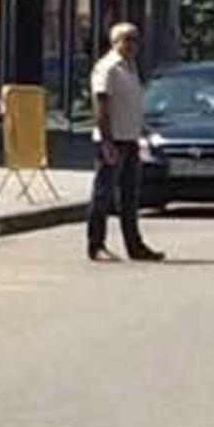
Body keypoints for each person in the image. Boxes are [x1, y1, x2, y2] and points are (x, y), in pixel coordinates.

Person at [87, 23, 163, 262]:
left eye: (135, 40)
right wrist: (107, 141)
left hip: (130, 139)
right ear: (114, 42)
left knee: (130, 197)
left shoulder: (130, 67)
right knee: (103, 195)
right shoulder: (107, 67)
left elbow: (130, 105)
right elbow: (101, 104)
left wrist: (142, 129)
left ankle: (135, 246)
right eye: (127, 39)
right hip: (113, 140)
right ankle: (96, 245)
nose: (132, 45)